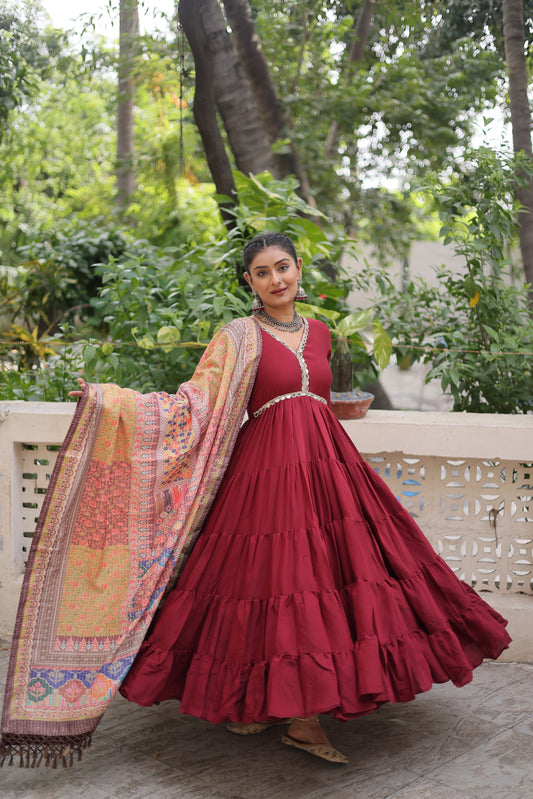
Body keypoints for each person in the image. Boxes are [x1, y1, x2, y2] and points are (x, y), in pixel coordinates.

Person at [1, 232, 511, 769]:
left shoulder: (319, 332)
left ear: (298, 270)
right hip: (265, 473)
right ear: (250, 282)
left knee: (341, 577)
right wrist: (109, 400)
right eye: (262, 272)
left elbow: (317, 396)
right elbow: (193, 403)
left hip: (328, 468)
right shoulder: (238, 337)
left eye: (283, 267)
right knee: (274, 583)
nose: (276, 280)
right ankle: (292, 713)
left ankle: (296, 709)